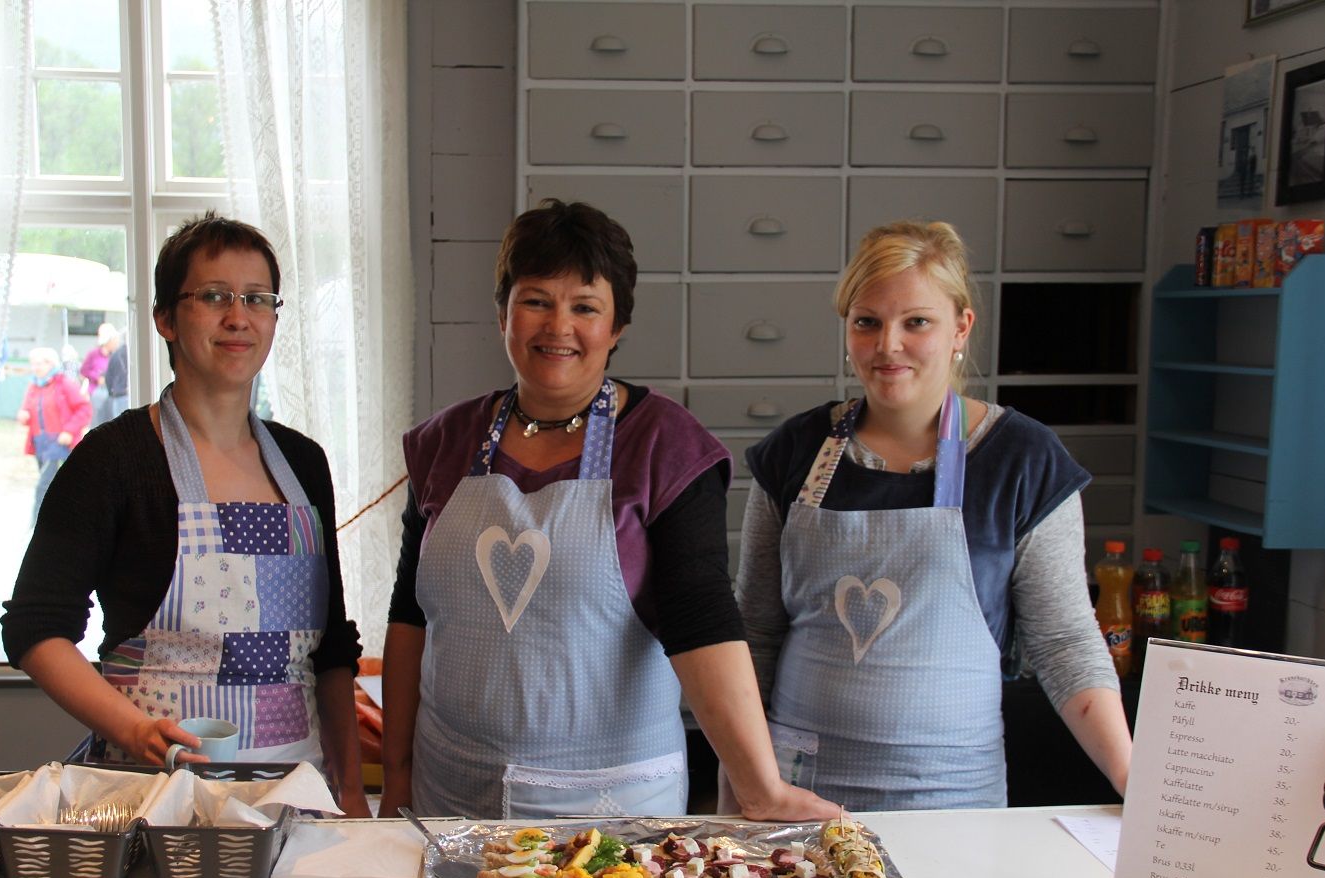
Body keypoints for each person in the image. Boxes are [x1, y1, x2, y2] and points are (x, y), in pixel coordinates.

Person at [379, 198, 837, 822]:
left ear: (617, 326)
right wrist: (397, 776)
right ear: (503, 314)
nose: (557, 326)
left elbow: (702, 618)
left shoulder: (664, 447)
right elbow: (410, 616)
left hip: (608, 806)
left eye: (585, 307)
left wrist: (761, 786)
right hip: (454, 792)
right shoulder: (444, 442)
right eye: (536, 300)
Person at [734, 220, 1131, 811]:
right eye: (867, 322)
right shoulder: (795, 452)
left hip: (953, 795)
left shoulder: (1022, 460)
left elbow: (1064, 642)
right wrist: (738, 784)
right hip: (799, 789)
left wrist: (1135, 782)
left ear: (960, 327)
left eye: (916, 322)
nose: (887, 345)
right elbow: (754, 634)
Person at [1, 212, 369, 814]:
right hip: (153, 796)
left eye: (257, 298)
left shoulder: (304, 462)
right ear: (166, 319)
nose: (238, 317)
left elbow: (330, 651)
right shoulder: (114, 459)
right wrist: (134, 729)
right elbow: (34, 628)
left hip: (293, 796)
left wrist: (350, 789)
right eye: (214, 296)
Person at [16, 347, 91, 526]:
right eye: (33, 364)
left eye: (39, 364)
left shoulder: (64, 383)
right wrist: (24, 415)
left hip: (58, 443)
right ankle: (60, 520)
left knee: (44, 485)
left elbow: (84, 409)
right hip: (40, 442)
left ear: (51, 364)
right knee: (54, 485)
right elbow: (27, 409)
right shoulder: (34, 385)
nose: (35, 368)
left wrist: (69, 431)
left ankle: (37, 525)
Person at [81, 323, 121, 428]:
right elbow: (84, 370)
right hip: (97, 392)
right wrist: (97, 378)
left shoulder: (116, 355)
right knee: (98, 421)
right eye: (114, 340)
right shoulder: (93, 354)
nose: (116, 342)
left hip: (112, 392)